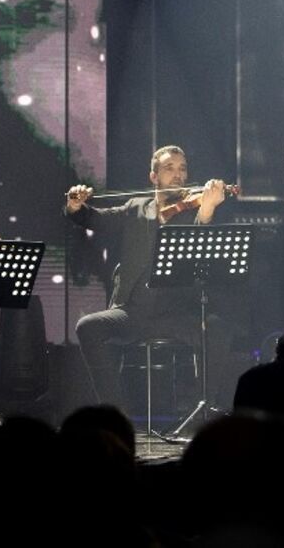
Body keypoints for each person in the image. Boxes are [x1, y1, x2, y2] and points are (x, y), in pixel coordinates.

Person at [66, 144, 232, 408]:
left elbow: (201, 251)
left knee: (217, 327)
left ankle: (199, 410)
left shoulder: (194, 212)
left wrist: (208, 209)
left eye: (182, 169)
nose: (178, 175)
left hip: (175, 315)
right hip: (130, 312)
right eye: (169, 168)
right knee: (87, 326)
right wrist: (76, 206)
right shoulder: (136, 207)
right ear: (154, 177)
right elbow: (95, 219)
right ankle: (113, 410)